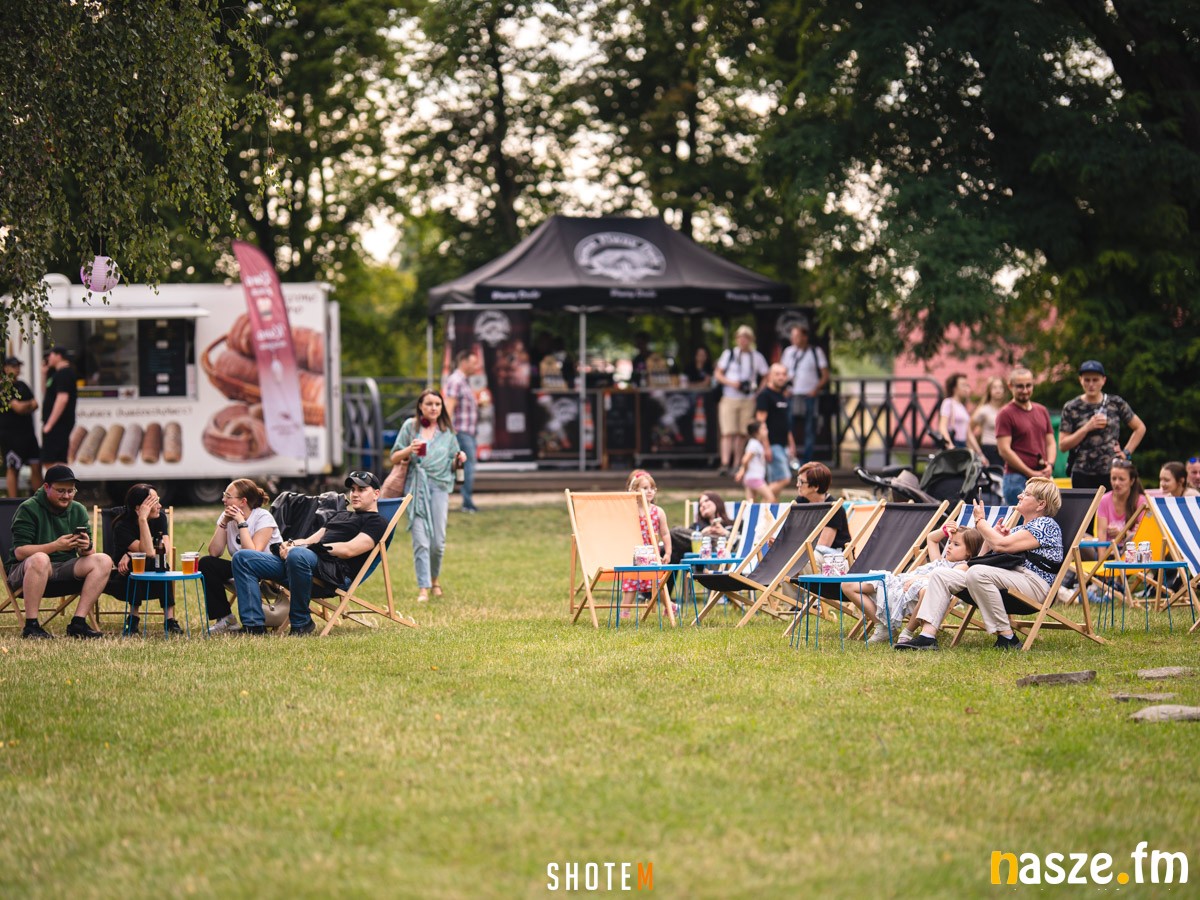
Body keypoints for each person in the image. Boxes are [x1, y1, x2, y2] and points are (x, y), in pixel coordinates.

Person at [896, 477, 1063, 651]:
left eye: (1026, 494)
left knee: (977, 573)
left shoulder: (1046, 525)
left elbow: (1001, 546)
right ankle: (927, 637)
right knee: (941, 575)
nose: (1019, 496)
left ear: (1041, 504)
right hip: (1009, 579)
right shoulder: (1017, 530)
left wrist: (980, 522)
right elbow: (982, 559)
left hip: (1034, 585)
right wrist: (991, 539)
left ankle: (1007, 637)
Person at [231, 471, 390, 635]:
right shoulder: (341, 515)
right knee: (243, 558)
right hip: (301, 566)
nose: (355, 494)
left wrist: (304, 549)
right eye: (353, 489)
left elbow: (349, 550)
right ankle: (253, 626)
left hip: (332, 575)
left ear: (376, 494)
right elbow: (311, 540)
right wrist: (289, 544)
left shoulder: (377, 522)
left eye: (361, 490)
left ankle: (301, 623)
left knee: (297, 555)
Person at [6, 464, 111, 639]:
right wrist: (55, 546)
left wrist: (85, 546)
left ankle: (78, 623)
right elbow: (20, 552)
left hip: (64, 567)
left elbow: (89, 552)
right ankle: (31, 626)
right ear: (46, 487)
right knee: (40, 559)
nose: (66, 496)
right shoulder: (28, 508)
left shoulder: (78, 509)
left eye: (71, 491)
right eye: (61, 491)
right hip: (25, 571)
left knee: (103, 560)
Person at [841, 523, 983, 644]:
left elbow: (945, 577)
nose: (949, 546)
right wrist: (944, 531)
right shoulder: (939, 561)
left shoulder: (963, 566)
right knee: (847, 586)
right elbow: (931, 539)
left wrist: (919, 578)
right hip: (900, 585)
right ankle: (883, 627)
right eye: (950, 542)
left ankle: (908, 632)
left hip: (925, 591)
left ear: (969, 552)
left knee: (926, 590)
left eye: (956, 544)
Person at [390, 389, 465, 603]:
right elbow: (394, 457)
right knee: (421, 540)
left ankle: (435, 580)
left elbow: (452, 462)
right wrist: (409, 450)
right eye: (429, 404)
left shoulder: (448, 432)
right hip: (415, 487)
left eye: (437, 404)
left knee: (438, 542)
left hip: (440, 487)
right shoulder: (410, 427)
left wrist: (460, 458)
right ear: (420, 406)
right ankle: (423, 587)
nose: (433, 408)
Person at [198, 478, 281, 634]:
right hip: (242, 566)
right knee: (207, 563)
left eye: (228, 496)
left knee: (243, 557)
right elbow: (214, 552)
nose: (223, 500)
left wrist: (242, 523)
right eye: (224, 495)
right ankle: (226, 618)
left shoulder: (263, 517)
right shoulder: (227, 516)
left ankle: (254, 625)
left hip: (269, 568)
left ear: (243, 501)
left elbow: (252, 555)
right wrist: (224, 522)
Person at [106, 483, 183, 636]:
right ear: (138, 508)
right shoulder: (122, 526)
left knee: (159, 564)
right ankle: (134, 619)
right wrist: (142, 519)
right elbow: (148, 552)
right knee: (140, 564)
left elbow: (164, 551)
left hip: (154, 577)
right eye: (154, 502)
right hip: (123, 579)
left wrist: (130, 554)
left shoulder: (160, 518)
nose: (160, 506)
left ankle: (169, 620)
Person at [1058, 360, 1146, 490]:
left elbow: (1140, 428)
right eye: (1087, 380)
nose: (1091, 384)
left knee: (1111, 504)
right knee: (1085, 504)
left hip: (1111, 472)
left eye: (1095, 380)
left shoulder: (1115, 403)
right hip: (1082, 472)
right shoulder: (1071, 407)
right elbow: (1063, 445)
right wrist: (1087, 427)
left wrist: (1126, 453)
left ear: (1103, 380)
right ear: (1080, 380)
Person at [995, 366, 1055, 505]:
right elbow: (1004, 450)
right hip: (1016, 479)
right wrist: (1029, 472)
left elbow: (1051, 442)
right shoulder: (1005, 413)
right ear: (1010, 386)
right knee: (1020, 518)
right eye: (1020, 386)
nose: (1025, 390)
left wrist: (1050, 465)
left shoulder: (1041, 410)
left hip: (1041, 478)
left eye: (1028, 385)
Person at [714, 325, 768, 476]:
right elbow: (718, 374)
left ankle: (737, 463)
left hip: (748, 399)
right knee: (727, 432)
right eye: (740, 337)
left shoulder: (756, 357)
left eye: (746, 338)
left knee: (741, 433)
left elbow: (766, 374)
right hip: (729, 397)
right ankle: (725, 463)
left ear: (751, 340)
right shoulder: (729, 354)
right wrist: (733, 383)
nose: (743, 341)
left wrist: (758, 391)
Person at [619, 470, 671, 616]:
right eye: (645, 488)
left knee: (656, 583)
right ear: (635, 490)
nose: (649, 491)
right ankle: (625, 612)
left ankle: (670, 607)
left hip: (651, 555)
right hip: (633, 554)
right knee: (630, 582)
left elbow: (665, 533)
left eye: (652, 488)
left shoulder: (658, 511)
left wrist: (668, 552)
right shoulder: (631, 510)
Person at [779, 322, 829, 465]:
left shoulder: (815, 352)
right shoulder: (789, 352)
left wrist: (815, 389)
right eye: (792, 336)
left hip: (809, 395)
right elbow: (782, 372)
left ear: (805, 337)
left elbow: (825, 375)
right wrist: (784, 388)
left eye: (797, 336)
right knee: (788, 427)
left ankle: (807, 460)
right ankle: (789, 459)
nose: (793, 339)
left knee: (809, 428)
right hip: (792, 395)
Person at [443, 350, 481, 513]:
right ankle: (467, 503)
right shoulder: (456, 380)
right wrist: (447, 432)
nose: (476, 366)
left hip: (467, 432)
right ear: (463, 362)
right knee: (467, 466)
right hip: (460, 432)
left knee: (460, 467)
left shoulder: (464, 381)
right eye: (473, 363)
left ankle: (463, 501)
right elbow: (449, 407)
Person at [1, 356, 42, 497]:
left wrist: (25, 406)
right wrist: (27, 405)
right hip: (11, 436)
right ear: (6, 368)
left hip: (28, 434)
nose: (17, 369)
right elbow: (18, 408)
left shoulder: (22, 385)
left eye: (18, 366)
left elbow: (36, 404)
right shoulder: (4, 387)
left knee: (36, 466)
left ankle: (39, 501)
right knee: (13, 468)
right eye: (14, 366)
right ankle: (13, 502)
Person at [755, 363, 796, 498]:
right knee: (784, 478)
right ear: (770, 376)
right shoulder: (765, 395)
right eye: (777, 374)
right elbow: (761, 423)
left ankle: (769, 508)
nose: (781, 377)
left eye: (784, 374)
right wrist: (766, 446)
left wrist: (791, 443)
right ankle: (760, 503)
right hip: (772, 444)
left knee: (775, 481)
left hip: (783, 444)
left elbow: (786, 423)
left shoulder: (782, 396)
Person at [794, 461, 851, 551]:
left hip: (832, 555)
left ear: (816, 486)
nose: (797, 485)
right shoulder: (801, 502)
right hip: (807, 552)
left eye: (801, 482)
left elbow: (823, 546)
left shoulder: (833, 508)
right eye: (798, 480)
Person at [40, 346, 78, 469]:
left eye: (51, 355)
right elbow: (47, 393)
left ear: (59, 356)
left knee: (51, 460)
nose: (48, 358)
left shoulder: (64, 373)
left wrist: (49, 424)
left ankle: (58, 481)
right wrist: (44, 374)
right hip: (55, 423)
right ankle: (59, 480)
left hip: (59, 423)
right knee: (53, 459)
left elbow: (62, 399)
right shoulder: (55, 374)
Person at [1096, 459, 1147, 542]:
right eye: (1113, 478)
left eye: (1121, 479)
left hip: (1131, 548)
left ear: (1132, 481)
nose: (1116, 483)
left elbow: (1144, 535)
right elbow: (1102, 532)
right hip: (1109, 547)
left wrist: (1123, 534)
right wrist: (1103, 551)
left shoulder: (1141, 501)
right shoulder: (1104, 500)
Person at [938, 373, 983, 456]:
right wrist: (950, 445)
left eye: (966, 385)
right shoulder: (948, 403)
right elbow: (942, 427)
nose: (966, 388)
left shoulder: (962, 407)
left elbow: (968, 433)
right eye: (963, 385)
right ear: (954, 388)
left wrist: (979, 453)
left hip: (963, 445)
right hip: (954, 444)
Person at [971, 376, 1008, 467]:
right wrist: (979, 453)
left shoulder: (1007, 410)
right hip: (989, 450)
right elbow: (968, 431)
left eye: (1000, 387)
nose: (998, 390)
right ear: (989, 391)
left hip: (1005, 452)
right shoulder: (984, 410)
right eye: (994, 387)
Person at [735, 421, 774, 502]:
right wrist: (744, 470)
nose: (766, 431)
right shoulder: (754, 444)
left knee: (751, 504)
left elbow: (747, 461)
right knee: (771, 499)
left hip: (750, 478)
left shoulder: (756, 443)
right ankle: (763, 510)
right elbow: (745, 460)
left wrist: (742, 471)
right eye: (763, 429)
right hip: (755, 478)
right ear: (757, 432)